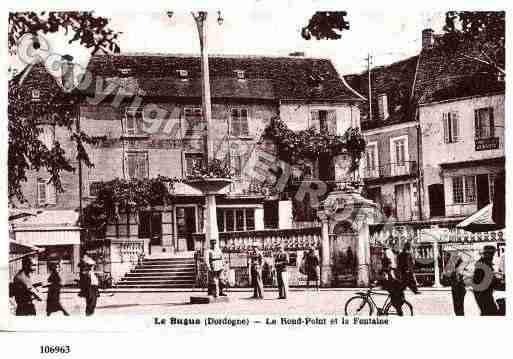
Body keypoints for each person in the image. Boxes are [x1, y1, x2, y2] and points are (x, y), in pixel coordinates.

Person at [472, 245, 499, 316]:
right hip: (482, 294)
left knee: (487, 312)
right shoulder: (482, 264)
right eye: (491, 254)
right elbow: (483, 281)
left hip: (484, 293)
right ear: (486, 254)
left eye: (493, 254)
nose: (492, 256)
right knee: (490, 312)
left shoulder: (485, 263)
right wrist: (496, 281)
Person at [381, 240, 405, 316]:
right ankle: (397, 308)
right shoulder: (388, 252)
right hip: (388, 277)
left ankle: (397, 308)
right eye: (395, 246)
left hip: (390, 276)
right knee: (395, 292)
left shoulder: (393, 253)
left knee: (397, 292)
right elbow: (388, 264)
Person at [442, 251, 468, 316]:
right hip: (460, 286)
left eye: (446, 256)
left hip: (457, 286)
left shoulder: (453, 262)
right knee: (459, 306)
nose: (445, 257)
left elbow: (446, 277)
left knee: (458, 306)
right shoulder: (458, 263)